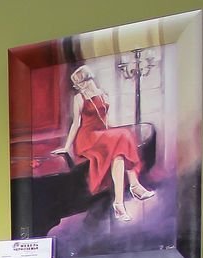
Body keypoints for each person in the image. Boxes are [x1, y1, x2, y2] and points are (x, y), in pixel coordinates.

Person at [50, 65, 154, 222]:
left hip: (102, 135)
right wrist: (66, 147)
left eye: (80, 83)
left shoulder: (103, 94)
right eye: (77, 84)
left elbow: (105, 119)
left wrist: (116, 130)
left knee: (120, 151)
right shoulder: (79, 98)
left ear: (87, 79)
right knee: (122, 136)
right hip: (87, 138)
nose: (79, 87)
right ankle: (134, 187)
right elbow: (76, 124)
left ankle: (119, 203)